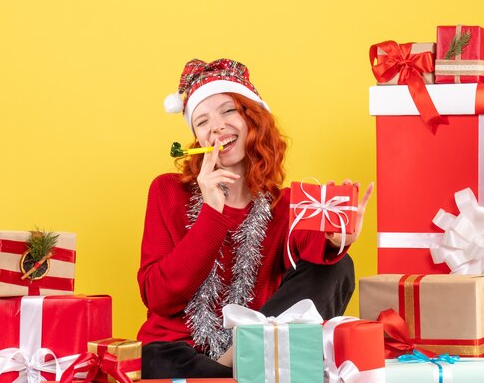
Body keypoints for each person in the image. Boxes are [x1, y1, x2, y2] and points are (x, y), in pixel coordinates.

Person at [137, 58, 374, 378]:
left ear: (252, 118)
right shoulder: (167, 190)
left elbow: (312, 245)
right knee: (157, 362)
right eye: (202, 121)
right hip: (178, 350)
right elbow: (158, 299)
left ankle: (243, 353)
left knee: (338, 267)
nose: (217, 126)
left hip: (253, 341)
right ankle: (238, 366)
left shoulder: (283, 203)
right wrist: (212, 211)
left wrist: (335, 238)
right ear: (196, 139)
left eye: (228, 110)